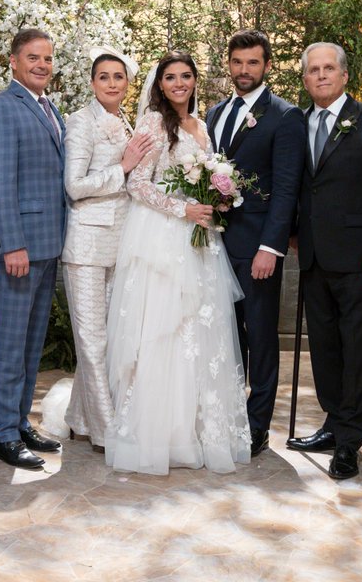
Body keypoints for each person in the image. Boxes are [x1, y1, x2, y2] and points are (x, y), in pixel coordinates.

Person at [104, 51, 251, 475]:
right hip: (163, 240)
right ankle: (161, 436)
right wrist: (181, 210)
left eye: (186, 75)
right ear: (160, 84)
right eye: (171, 77)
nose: (179, 83)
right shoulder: (153, 122)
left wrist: (214, 200)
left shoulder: (202, 126)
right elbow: (137, 184)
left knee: (199, 332)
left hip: (199, 242)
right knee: (164, 332)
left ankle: (198, 429)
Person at [287, 41, 362, 480]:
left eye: (328, 69)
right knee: (326, 350)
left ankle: (350, 443)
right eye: (312, 70)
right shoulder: (298, 124)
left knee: (357, 354)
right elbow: (301, 187)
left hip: (361, 262)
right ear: (305, 79)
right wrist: (296, 234)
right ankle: (333, 424)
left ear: (344, 75)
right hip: (314, 258)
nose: (320, 76)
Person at [204, 29, 305, 457]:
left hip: (257, 248)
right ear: (229, 64)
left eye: (253, 63)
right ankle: (226, 417)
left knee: (260, 336)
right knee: (225, 337)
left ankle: (257, 425)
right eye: (237, 62)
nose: (244, 70)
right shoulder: (212, 114)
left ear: (266, 66)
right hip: (213, 245)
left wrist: (271, 248)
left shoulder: (284, 116)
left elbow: (286, 189)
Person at [0, 28, 68, 469]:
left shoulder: (51, 109)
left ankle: (19, 419)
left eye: (47, 58)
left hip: (49, 245)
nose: (41, 65)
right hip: (20, 248)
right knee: (10, 343)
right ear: (12, 61)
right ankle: (3, 433)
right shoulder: (0, 108)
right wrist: (11, 243)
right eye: (33, 57)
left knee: (32, 341)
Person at [61, 49, 153, 451]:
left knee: (109, 337)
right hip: (85, 245)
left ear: (128, 85)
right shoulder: (80, 122)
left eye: (118, 76)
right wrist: (125, 168)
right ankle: (106, 429)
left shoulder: (125, 122)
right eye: (104, 76)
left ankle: (80, 417)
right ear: (92, 82)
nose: (112, 83)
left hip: (121, 241)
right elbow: (75, 186)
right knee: (92, 338)